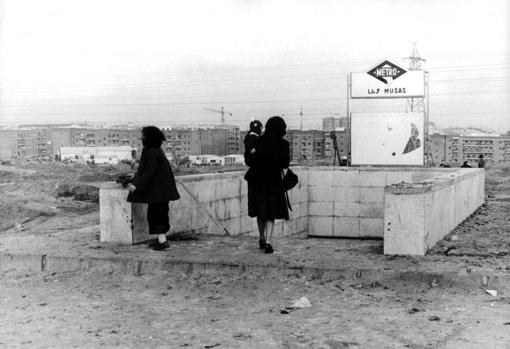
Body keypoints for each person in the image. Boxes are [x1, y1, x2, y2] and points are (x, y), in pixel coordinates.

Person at [127, 126, 180, 251]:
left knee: (157, 215)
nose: (141, 138)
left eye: (143, 135)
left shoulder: (152, 152)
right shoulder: (155, 150)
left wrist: (136, 186)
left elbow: (149, 172)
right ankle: (160, 239)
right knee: (159, 214)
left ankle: (162, 242)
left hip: (159, 192)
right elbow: (147, 170)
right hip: (161, 191)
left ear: (149, 138)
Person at [252, 116, 290, 254]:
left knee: (260, 211)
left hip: (258, 180)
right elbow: (285, 164)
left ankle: (261, 236)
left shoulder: (259, 141)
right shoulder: (284, 144)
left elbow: (252, 160)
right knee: (270, 213)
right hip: (274, 181)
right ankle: (268, 242)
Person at [243, 120, 265, 249]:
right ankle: (265, 237)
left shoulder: (248, 139)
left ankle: (262, 236)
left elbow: (249, 160)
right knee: (264, 209)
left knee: (257, 209)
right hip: (263, 178)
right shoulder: (259, 140)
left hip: (253, 178)